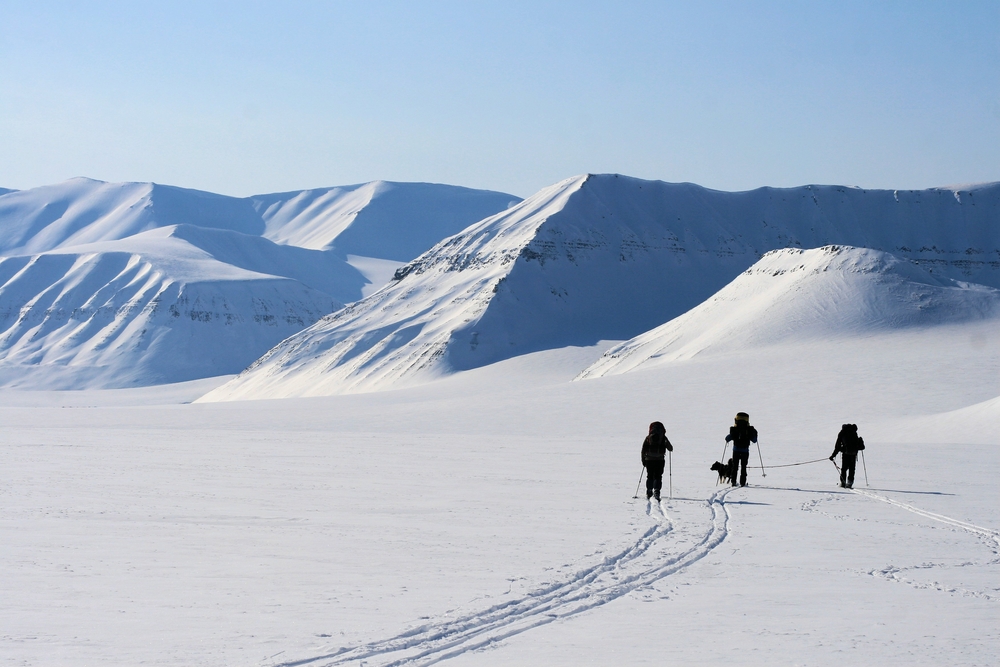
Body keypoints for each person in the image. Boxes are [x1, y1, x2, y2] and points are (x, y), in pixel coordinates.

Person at [641, 421, 673, 500]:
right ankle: (657, 491)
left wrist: (643, 460)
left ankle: (649, 491)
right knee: (658, 476)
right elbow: (670, 448)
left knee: (650, 476)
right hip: (660, 460)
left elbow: (643, 449)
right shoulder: (663, 437)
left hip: (649, 460)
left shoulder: (648, 437)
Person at [725, 412, 758, 487]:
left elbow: (727, 438)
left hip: (736, 450)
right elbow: (754, 440)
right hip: (745, 450)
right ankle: (742, 482)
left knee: (735, 466)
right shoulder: (749, 429)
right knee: (743, 466)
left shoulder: (734, 429)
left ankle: (733, 481)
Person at [830, 423, 865, 488]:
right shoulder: (854, 432)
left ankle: (843, 482)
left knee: (844, 469)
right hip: (853, 454)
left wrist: (833, 455)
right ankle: (850, 482)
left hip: (846, 454)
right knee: (852, 469)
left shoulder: (842, 433)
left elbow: (837, 446)